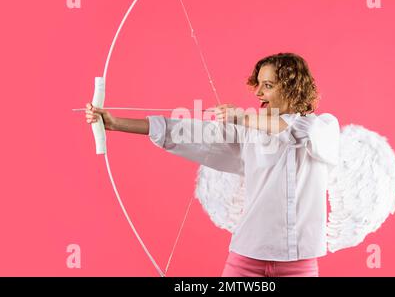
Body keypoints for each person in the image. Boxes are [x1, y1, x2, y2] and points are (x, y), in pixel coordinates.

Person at [85, 52, 340, 277]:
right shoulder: (249, 130)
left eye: (268, 85)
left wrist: (242, 117)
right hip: (246, 257)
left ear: (292, 88)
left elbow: (297, 131)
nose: (259, 93)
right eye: (258, 85)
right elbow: (184, 131)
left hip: (299, 264)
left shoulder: (323, 126)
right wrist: (116, 123)